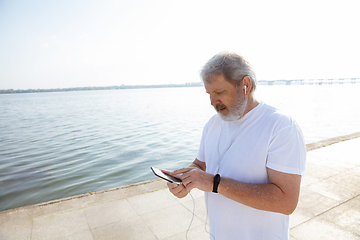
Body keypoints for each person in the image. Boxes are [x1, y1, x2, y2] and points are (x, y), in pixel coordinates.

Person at [162, 52, 306, 240]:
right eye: (209, 94)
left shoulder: (281, 126)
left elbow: (286, 201)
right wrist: (186, 179)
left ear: (245, 85)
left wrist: (214, 183)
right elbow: (200, 164)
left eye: (220, 92)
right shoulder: (212, 124)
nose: (212, 102)